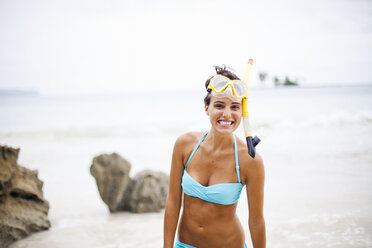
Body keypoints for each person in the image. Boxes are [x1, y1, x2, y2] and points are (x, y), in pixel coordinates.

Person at [163, 65, 266, 248]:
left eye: (235, 107)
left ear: (242, 112)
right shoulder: (184, 145)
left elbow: (256, 221)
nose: (227, 114)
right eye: (219, 105)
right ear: (206, 108)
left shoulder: (250, 160)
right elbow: (172, 201)